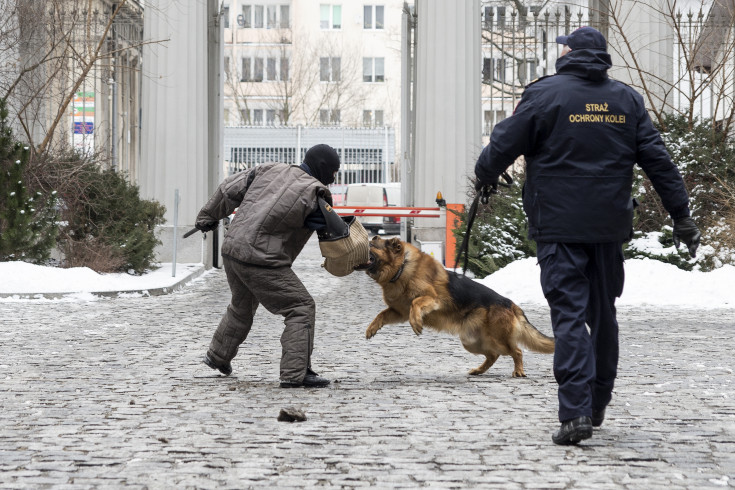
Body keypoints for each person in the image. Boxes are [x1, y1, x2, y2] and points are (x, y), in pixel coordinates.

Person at [474, 26, 701, 445]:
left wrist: (485, 173)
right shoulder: (626, 100)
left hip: (559, 229)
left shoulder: (545, 95)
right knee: (603, 314)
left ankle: (575, 411)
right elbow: (659, 161)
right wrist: (681, 215)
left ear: (568, 54)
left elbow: (504, 142)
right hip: (608, 229)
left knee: (569, 316)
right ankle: (597, 402)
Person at [195, 144, 341, 388]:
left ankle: (218, 356)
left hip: (233, 251)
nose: (334, 179)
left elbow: (227, 188)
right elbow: (341, 236)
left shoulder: (268, 169)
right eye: (334, 172)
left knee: (242, 305)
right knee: (301, 306)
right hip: (261, 259)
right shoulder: (316, 193)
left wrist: (207, 217)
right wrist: (366, 259)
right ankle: (295, 374)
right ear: (324, 168)